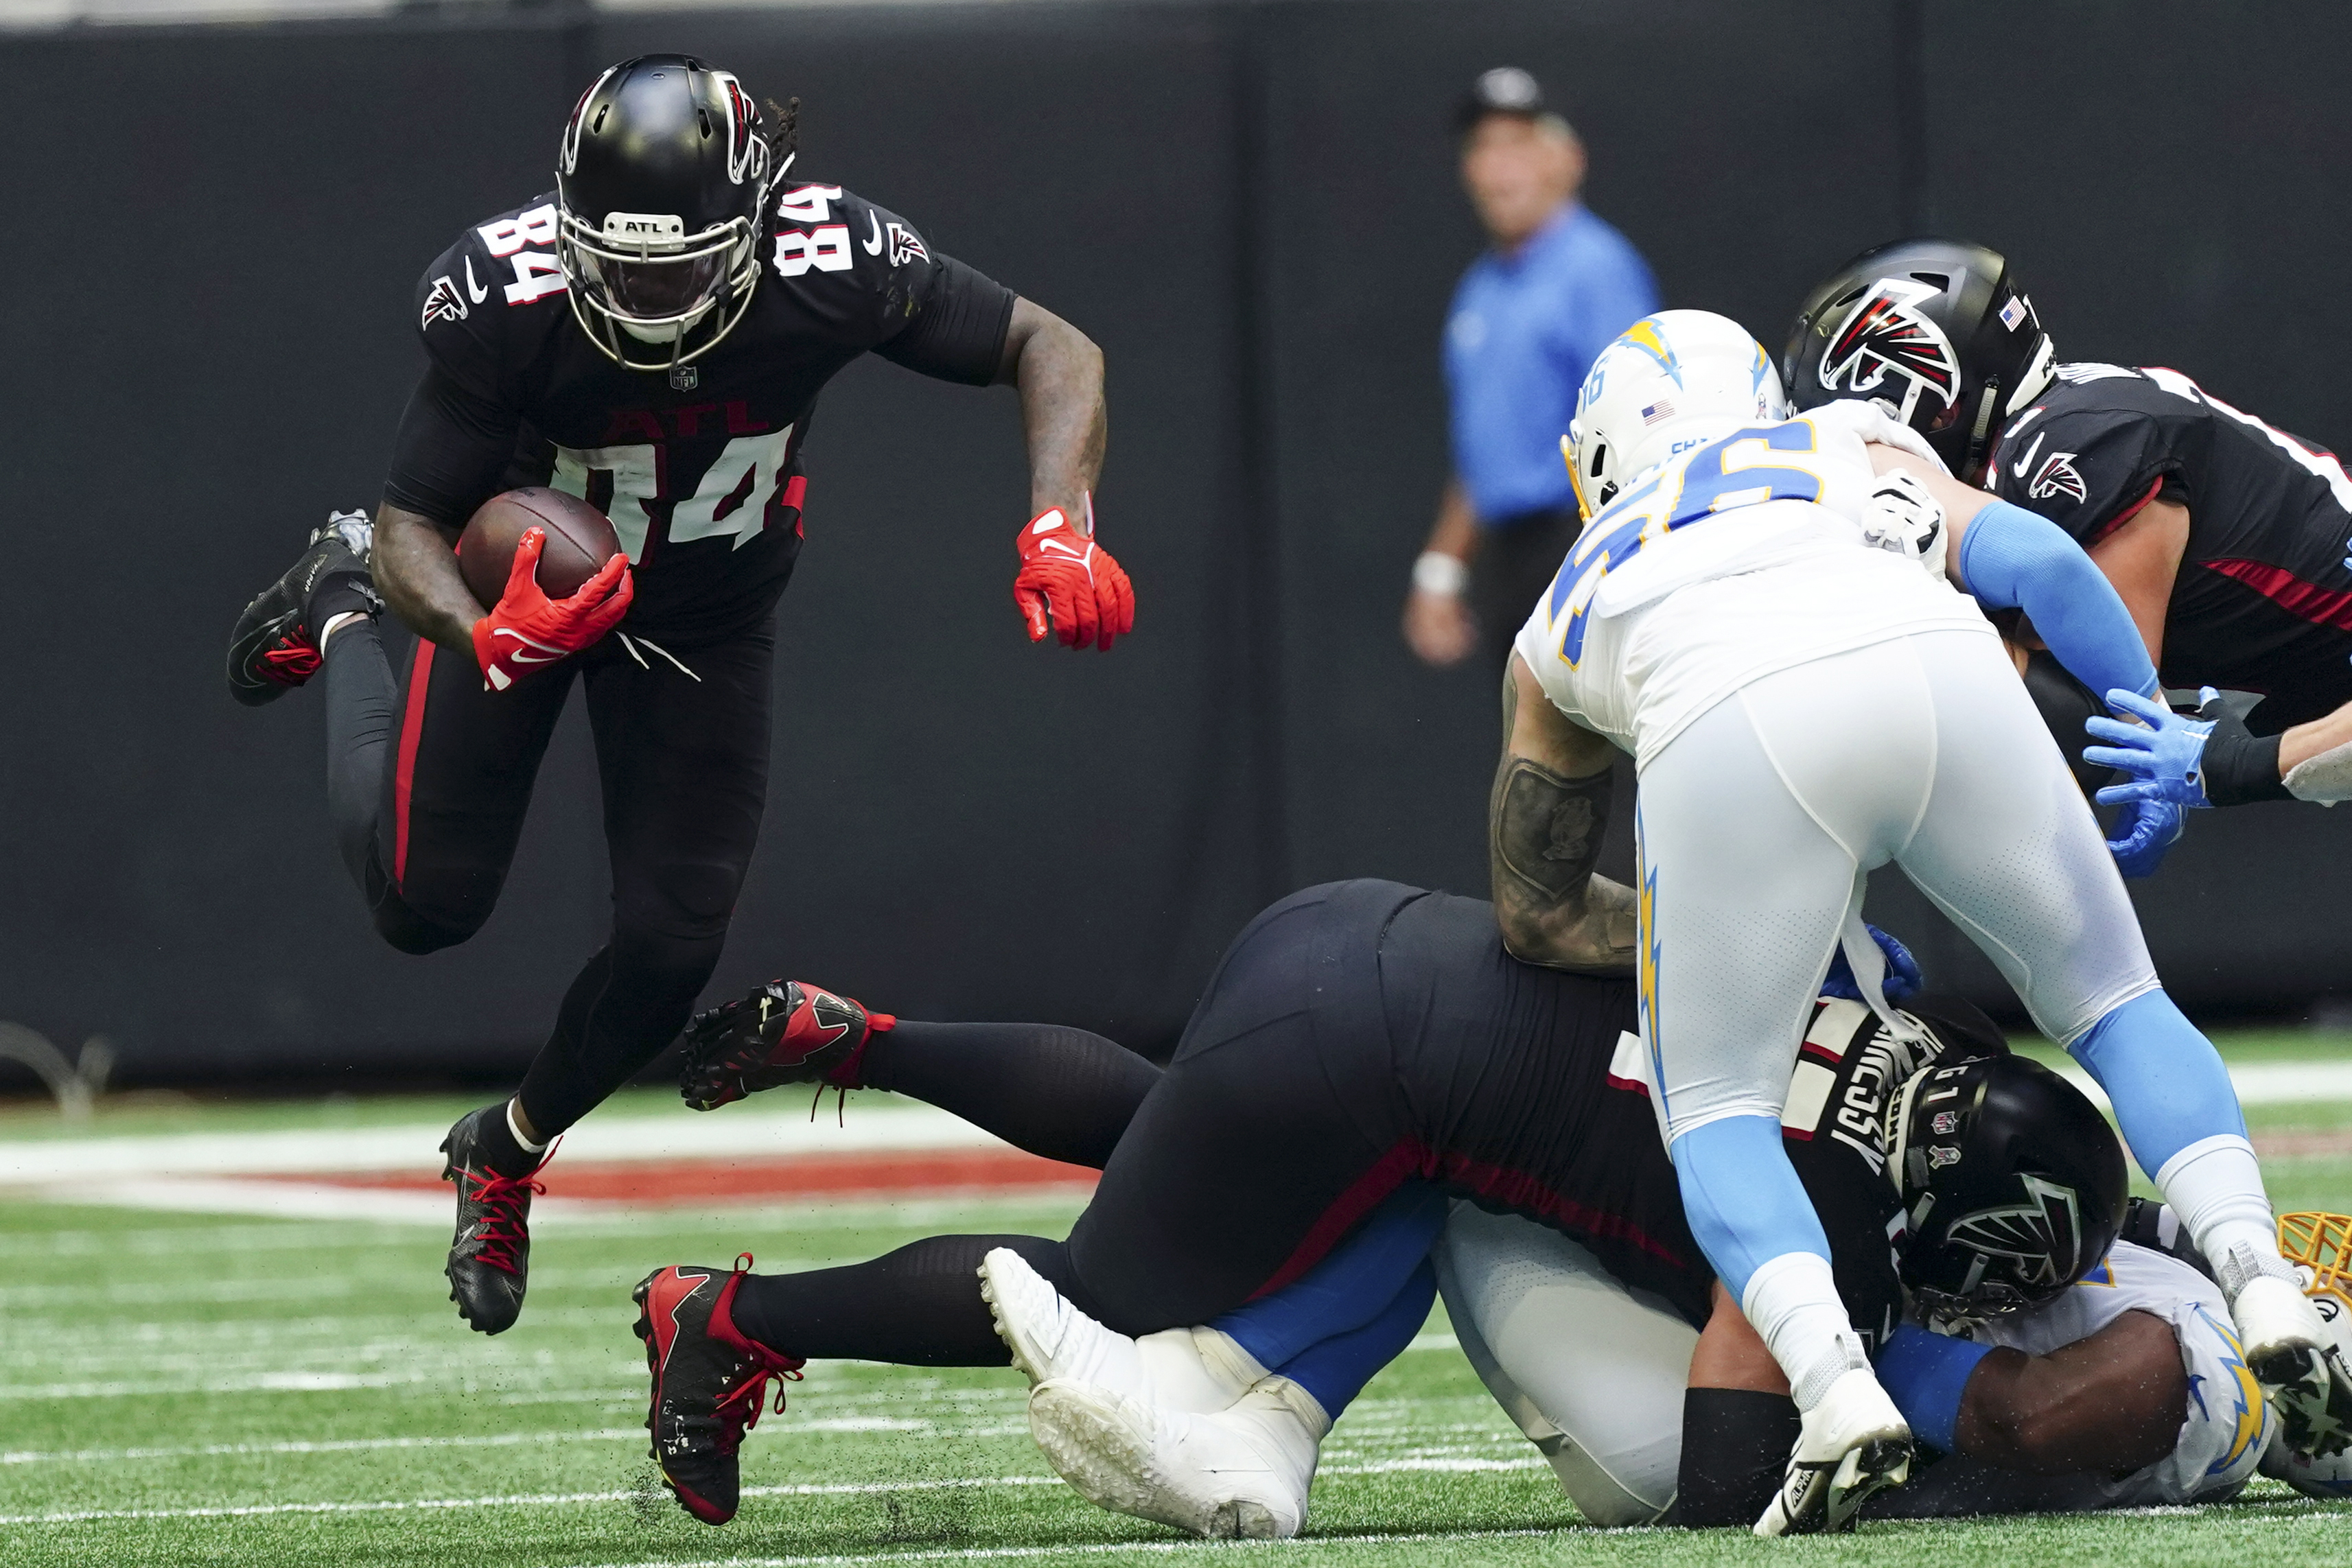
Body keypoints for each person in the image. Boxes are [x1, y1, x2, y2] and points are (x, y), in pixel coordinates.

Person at [222, 54, 1130, 1337]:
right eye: (622, 262)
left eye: (678, 263)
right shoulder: (504, 295)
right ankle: (336, 606)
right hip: (534, 600)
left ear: (758, 217)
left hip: (703, 619)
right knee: (422, 909)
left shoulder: (837, 259)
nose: (647, 292)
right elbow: (414, 518)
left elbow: (1054, 342)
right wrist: (483, 627)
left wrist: (1058, 522)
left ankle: (509, 1149)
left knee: (670, 950)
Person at [1495, 307, 2335, 1529]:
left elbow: (1535, 899)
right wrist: (2139, 726)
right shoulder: (1844, 441)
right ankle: (2259, 1279)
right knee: (2114, 1003)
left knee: (1716, 1107)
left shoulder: (1570, 591)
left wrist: (1759, 962)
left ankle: (1834, 1388)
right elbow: (2047, 568)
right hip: (1939, 666)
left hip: (1729, 722)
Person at [633, 924, 2294, 1538]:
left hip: (1363, 938)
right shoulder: (1851, 1224)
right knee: (1105, 1302)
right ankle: (731, 1316)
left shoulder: (1890, 987)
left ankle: (863, 1040)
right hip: (1368, 1089)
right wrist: (1869, 1436)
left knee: (1175, 1122)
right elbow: (1720, 1484)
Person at [1784, 238, 2352, 839]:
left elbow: (2096, 723)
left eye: (1869, 431)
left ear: (1936, 403)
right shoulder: (2060, 427)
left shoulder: (2066, 448)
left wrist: (2234, 768)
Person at [1401, 67, 1657, 673]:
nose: (1498, 168)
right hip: (1511, 561)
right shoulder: (1479, 289)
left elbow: (1641, 423)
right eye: (1482, 149)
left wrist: (1611, 565)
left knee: (1588, 756)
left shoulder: (1598, 269)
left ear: (1566, 159)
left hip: (1585, 546)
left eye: (1517, 145)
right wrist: (1441, 566)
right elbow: (1486, 446)